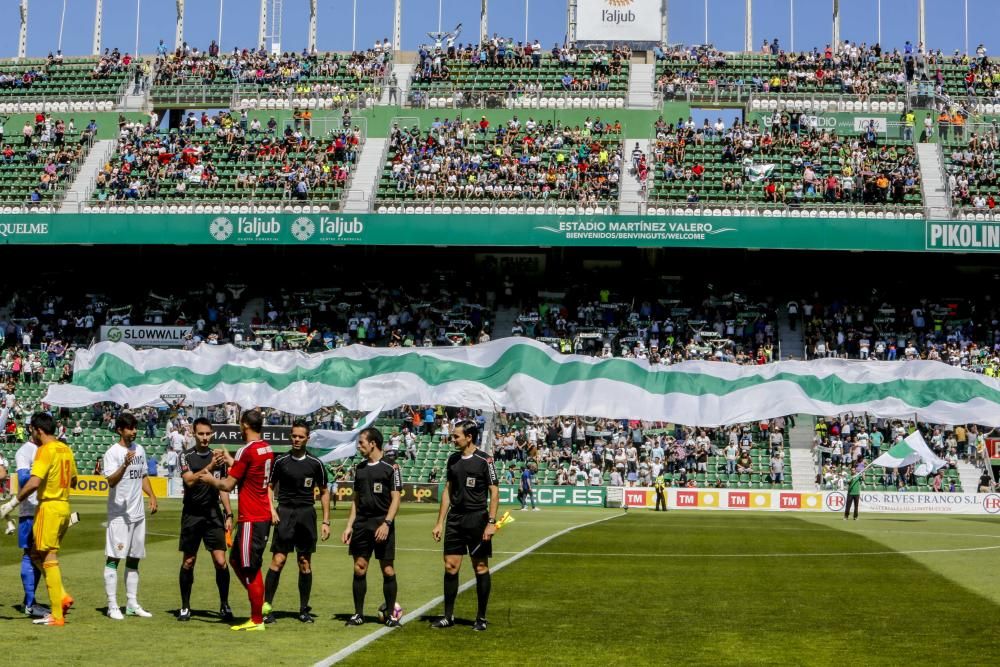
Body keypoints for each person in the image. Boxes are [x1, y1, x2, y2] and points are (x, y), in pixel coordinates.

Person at [197, 409, 275, 631]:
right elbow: (249, 471)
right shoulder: (266, 448)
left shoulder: (246, 450)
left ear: (244, 425)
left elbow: (228, 485)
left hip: (252, 516)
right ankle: (260, 605)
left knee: (249, 566)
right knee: (235, 561)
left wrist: (210, 479)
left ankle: (257, 617)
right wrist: (231, 459)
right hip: (260, 515)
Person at [0, 412, 79, 626]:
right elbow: (74, 480)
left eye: (33, 430)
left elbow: (33, 482)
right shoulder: (66, 448)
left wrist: (12, 503)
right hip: (64, 506)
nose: (32, 434)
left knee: (48, 558)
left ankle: (56, 615)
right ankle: (61, 597)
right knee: (35, 553)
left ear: (38, 430)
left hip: (48, 507)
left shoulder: (45, 450)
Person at [431, 420, 499, 632]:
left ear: (469, 437)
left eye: (456, 436)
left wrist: (490, 522)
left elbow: (494, 492)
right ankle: (448, 616)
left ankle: (481, 617)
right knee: (450, 566)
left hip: (477, 519)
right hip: (455, 519)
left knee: (480, 567)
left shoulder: (485, 460)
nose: (453, 439)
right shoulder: (452, 459)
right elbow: (447, 491)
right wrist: (439, 522)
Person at [262, 420, 331, 625]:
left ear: (307, 438)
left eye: (301, 436)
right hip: (284, 512)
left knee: (304, 562)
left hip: (306, 514)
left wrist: (326, 521)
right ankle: (266, 608)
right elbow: (269, 486)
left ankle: (303, 609)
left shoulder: (315, 463)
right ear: (290, 437)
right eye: (294, 436)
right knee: (278, 561)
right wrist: (272, 509)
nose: (297, 439)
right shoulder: (280, 461)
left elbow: (324, 492)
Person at [342, 427, 402, 626]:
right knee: (359, 568)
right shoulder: (360, 468)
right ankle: (358, 614)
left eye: (361, 443)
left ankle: (392, 616)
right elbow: (356, 500)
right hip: (362, 524)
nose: (359, 446)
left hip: (382, 523)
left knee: (387, 570)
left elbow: (396, 499)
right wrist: (349, 526)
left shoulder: (392, 467)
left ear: (372, 443)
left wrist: (386, 523)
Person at [177, 417, 234, 623]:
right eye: (200, 433)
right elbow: (189, 481)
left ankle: (224, 604)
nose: (204, 437)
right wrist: (209, 466)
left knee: (220, 562)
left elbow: (223, 488)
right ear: (194, 434)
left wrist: (228, 513)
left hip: (213, 515)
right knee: (189, 561)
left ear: (212, 434)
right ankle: (185, 606)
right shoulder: (185, 456)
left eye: (207, 434)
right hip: (192, 514)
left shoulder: (218, 458)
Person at [102, 413, 158, 620]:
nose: (134, 431)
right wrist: (124, 465)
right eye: (130, 428)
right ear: (120, 430)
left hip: (137, 514)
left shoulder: (139, 449)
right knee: (114, 559)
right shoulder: (112, 453)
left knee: (134, 559)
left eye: (135, 428)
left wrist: (151, 495)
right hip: (119, 516)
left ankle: (132, 603)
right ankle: (112, 605)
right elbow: (111, 481)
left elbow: (142, 475)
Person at [14, 435, 47, 617]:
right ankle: (29, 603)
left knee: (40, 555)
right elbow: (23, 479)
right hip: (29, 510)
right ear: (33, 430)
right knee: (30, 554)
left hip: (43, 509)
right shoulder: (25, 451)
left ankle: (30, 601)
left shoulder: (45, 449)